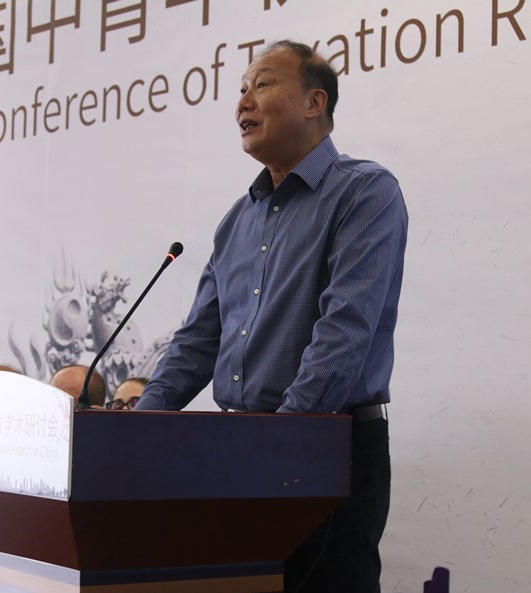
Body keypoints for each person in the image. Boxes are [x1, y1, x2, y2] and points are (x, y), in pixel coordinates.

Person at [134, 40, 408, 593]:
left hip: (327, 449)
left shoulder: (364, 192)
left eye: (261, 85)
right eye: (240, 89)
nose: (242, 102)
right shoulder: (238, 219)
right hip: (243, 451)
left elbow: (344, 332)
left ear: (314, 102)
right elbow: (197, 341)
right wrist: (134, 430)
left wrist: (273, 446)